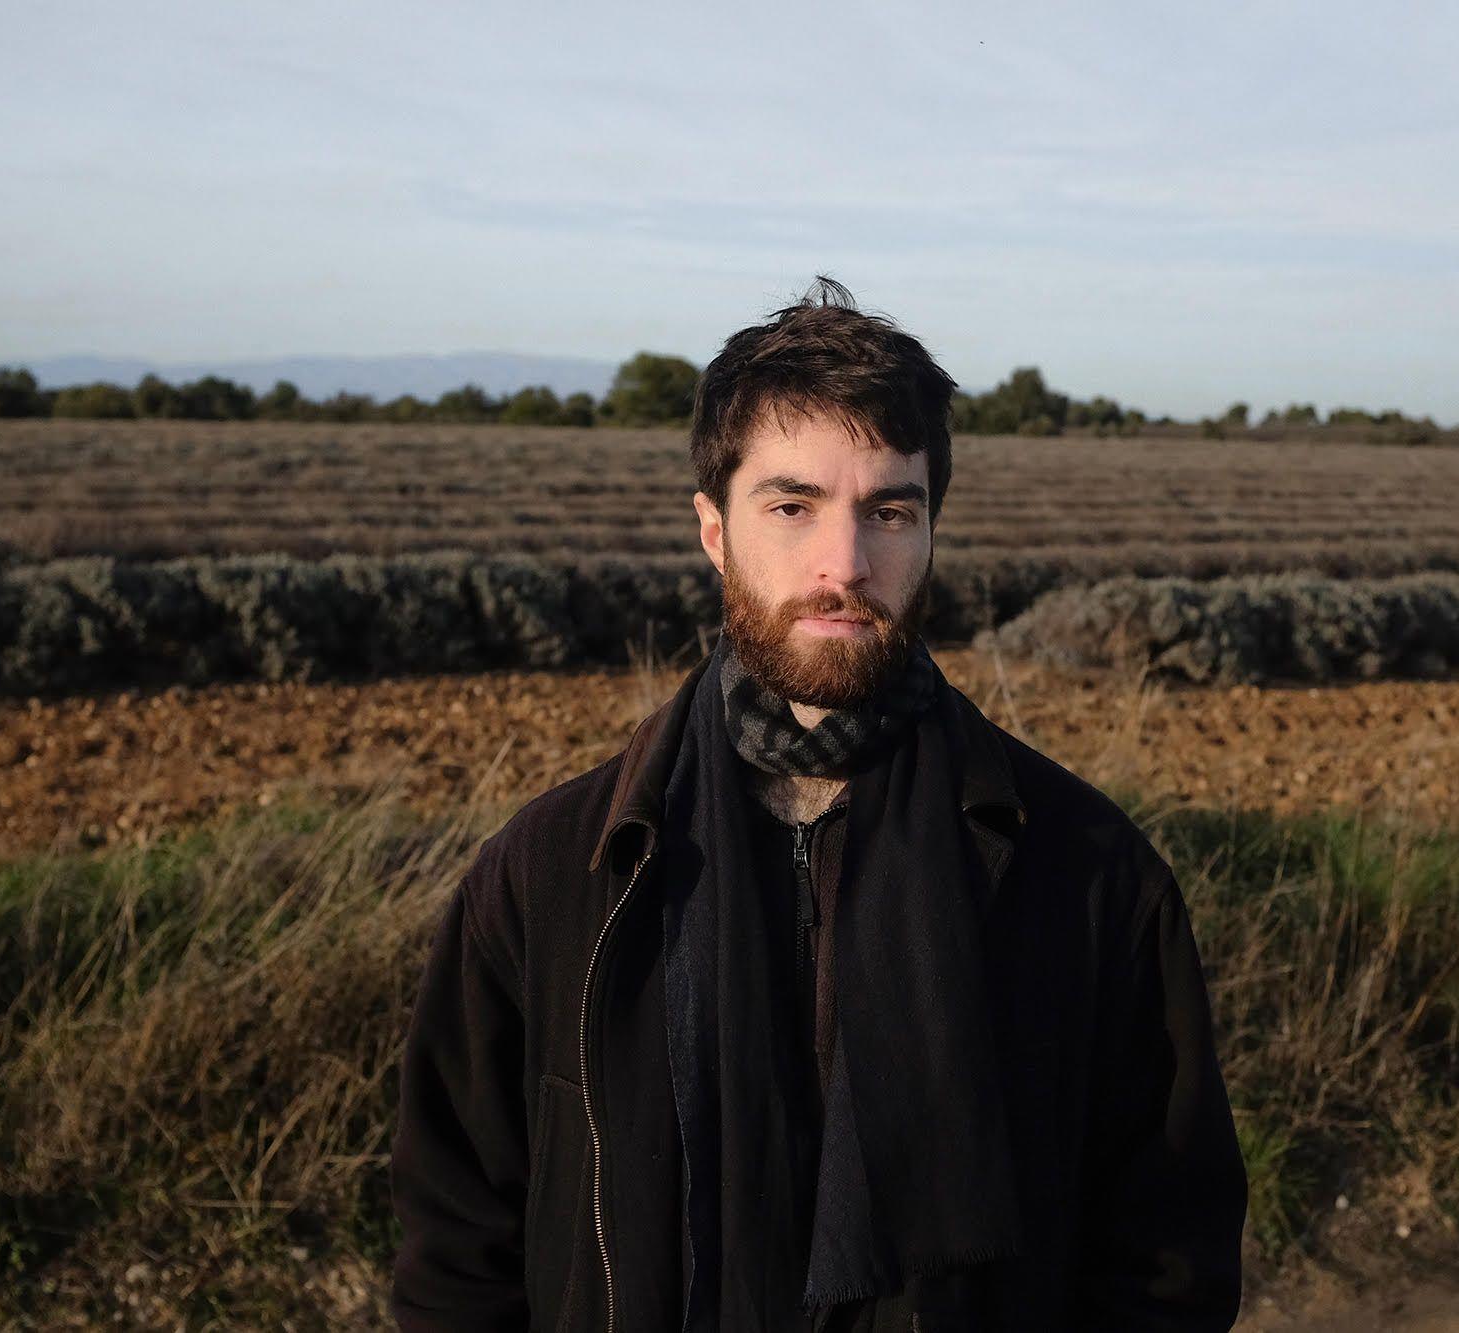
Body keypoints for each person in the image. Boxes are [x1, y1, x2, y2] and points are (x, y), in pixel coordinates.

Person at [389, 277, 1247, 1331]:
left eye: (889, 510)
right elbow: (457, 1243)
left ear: (932, 530)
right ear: (713, 529)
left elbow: (1166, 1255)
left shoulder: (1087, 873)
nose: (844, 564)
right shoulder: (553, 873)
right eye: (791, 506)